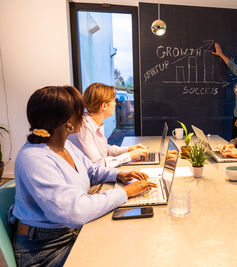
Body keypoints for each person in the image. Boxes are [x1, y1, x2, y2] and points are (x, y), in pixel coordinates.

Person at [9, 86, 157, 266]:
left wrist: (119, 175)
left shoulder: (64, 145)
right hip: (44, 250)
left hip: (67, 233)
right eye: (80, 110)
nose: (85, 114)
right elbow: (74, 211)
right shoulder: (34, 158)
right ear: (68, 120)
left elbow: (91, 170)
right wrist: (124, 193)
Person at [69, 83, 147, 168]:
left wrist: (129, 149)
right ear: (104, 106)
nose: (115, 104)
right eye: (113, 101)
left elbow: (105, 150)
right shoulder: (83, 129)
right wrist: (129, 156)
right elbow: (98, 165)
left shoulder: (94, 123)